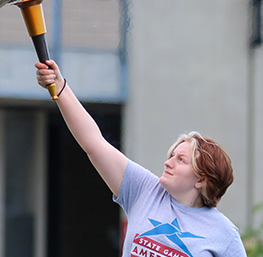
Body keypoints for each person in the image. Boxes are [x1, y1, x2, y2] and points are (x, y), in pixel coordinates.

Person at [36, 60, 247, 257]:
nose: (168, 162)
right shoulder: (145, 191)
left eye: (180, 160)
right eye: (171, 155)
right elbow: (94, 143)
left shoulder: (225, 236)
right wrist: (60, 87)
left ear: (201, 180)